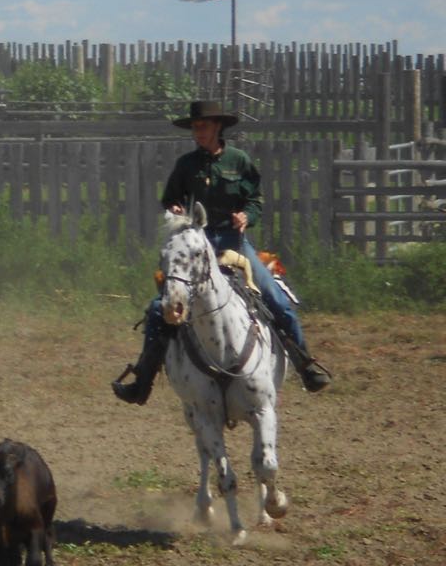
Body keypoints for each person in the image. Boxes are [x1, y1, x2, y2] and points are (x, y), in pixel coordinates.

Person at [112, 100, 332, 404]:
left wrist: (247, 216)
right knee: (158, 309)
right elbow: (170, 199)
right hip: (197, 246)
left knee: (277, 299)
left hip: (234, 245)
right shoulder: (186, 165)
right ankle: (143, 380)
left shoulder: (239, 161)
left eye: (202, 126)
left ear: (218, 127)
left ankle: (305, 364)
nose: (197, 132)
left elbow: (255, 200)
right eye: (194, 127)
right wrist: (175, 208)